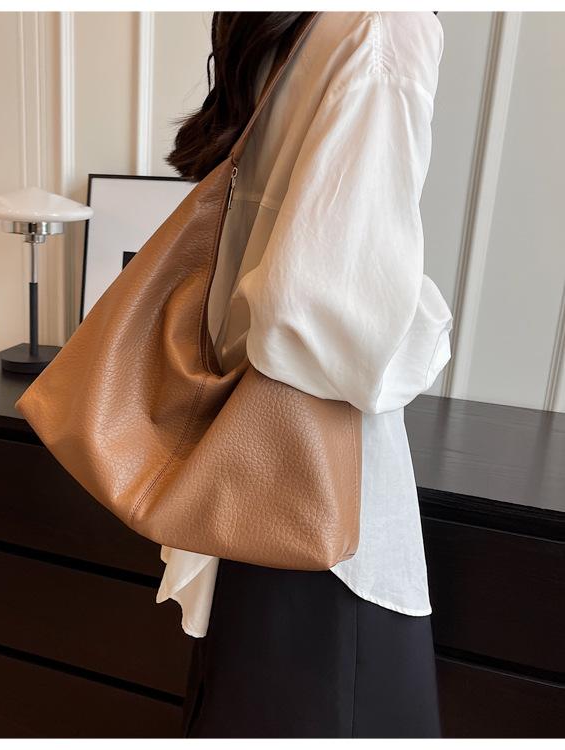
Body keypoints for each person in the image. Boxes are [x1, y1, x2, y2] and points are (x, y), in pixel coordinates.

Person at [158, 11, 453, 739]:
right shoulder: (385, 25)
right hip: (326, 491)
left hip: (239, 456)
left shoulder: (280, 21)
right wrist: (430, 335)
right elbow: (324, 308)